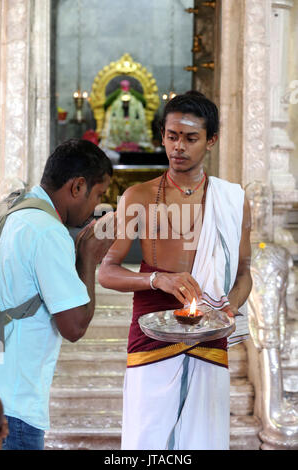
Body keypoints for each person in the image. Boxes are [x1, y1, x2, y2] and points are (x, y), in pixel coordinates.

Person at [98, 91, 252, 450]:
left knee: (203, 440)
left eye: (190, 138)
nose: (178, 147)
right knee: (145, 440)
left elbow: (244, 271)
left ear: (211, 140)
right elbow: (107, 271)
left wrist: (229, 306)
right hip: (151, 335)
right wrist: (157, 279)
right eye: (171, 136)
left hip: (210, 333)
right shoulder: (138, 196)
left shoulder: (231, 200)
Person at [0, 138, 116, 450]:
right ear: (78, 186)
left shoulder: (14, 211)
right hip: (16, 406)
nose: (95, 208)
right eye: (98, 195)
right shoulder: (48, 231)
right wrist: (89, 257)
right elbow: (74, 326)